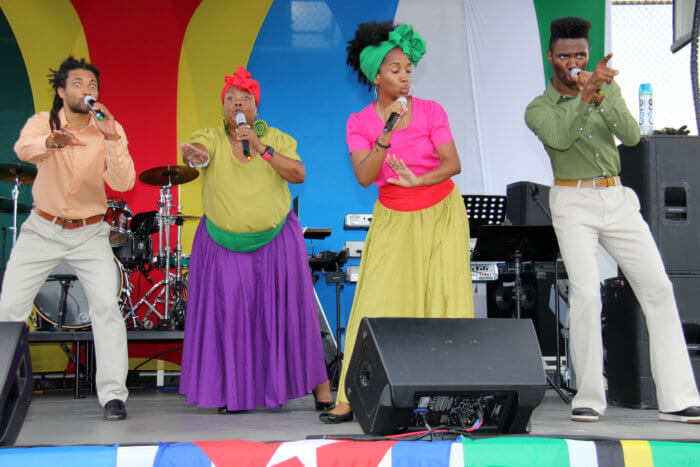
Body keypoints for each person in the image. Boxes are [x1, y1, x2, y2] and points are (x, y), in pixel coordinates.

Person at [525, 17, 700, 423]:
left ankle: (677, 399)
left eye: (581, 54)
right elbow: (560, 139)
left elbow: (632, 135)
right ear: (550, 57)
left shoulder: (606, 87)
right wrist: (584, 99)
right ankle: (588, 396)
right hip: (572, 199)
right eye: (565, 55)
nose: (574, 62)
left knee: (658, 288)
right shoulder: (538, 107)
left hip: (617, 197)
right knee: (586, 294)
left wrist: (601, 95)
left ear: (589, 54)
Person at [320, 22, 474, 424]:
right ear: (376, 75)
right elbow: (365, 176)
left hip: (441, 213)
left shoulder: (432, 110)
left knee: (444, 302)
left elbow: (452, 164)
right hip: (393, 216)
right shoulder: (359, 122)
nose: (405, 76)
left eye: (408, 68)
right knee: (373, 304)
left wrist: (417, 179)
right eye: (395, 69)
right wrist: (386, 130)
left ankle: (451, 395)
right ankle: (350, 394)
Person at [178, 66, 333, 413]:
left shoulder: (274, 137)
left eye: (244, 98)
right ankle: (234, 393)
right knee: (232, 317)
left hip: (277, 240)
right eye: (230, 98)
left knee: (296, 314)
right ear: (223, 108)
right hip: (223, 243)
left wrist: (261, 147)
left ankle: (321, 390)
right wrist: (196, 156)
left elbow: (299, 173)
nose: (236, 102)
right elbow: (199, 154)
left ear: (255, 108)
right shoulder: (212, 136)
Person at [0, 56, 134, 421]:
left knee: (106, 308)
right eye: (78, 84)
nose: (87, 91)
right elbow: (24, 149)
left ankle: (113, 397)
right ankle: (1, 389)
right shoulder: (42, 122)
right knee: (9, 307)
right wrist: (50, 142)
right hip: (42, 229)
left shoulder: (107, 127)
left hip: (90, 233)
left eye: (92, 86)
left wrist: (112, 143)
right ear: (61, 90)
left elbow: (124, 184)